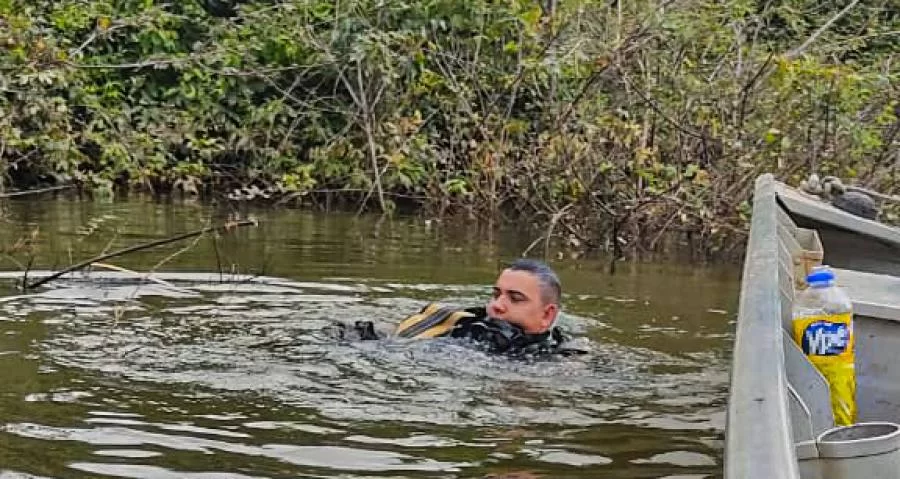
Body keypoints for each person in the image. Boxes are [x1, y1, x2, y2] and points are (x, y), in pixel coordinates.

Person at [340, 259, 587, 358]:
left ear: (547, 315)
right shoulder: (452, 322)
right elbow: (384, 338)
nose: (497, 306)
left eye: (515, 298)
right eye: (496, 294)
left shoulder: (564, 358)